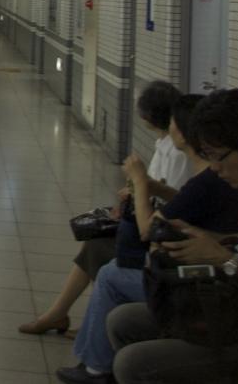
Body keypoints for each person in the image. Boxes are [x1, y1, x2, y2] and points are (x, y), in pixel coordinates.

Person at [107, 88, 238, 384]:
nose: (215, 168)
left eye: (219, 157)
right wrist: (205, 238)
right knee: (124, 321)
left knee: (134, 364)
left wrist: (226, 259)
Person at [54, 94, 238, 383]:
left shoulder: (207, 181)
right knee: (100, 253)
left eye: (173, 122)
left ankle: (96, 367)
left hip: (194, 283)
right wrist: (154, 188)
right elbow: (183, 202)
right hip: (202, 274)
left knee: (110, 275)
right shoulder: (208, 179)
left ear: (183, 132)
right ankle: (80, 336)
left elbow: (149, 230)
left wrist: (139, 181)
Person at [20, 81, 191, 335]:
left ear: (149, 116)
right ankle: (62, 315)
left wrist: (140, 189)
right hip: (149, 225)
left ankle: (72, 320)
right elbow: (155, 188)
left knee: (98, 249)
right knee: (95, 244)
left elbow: (166, 204)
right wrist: (135, 190)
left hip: (158, 239)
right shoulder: (165, 145)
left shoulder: (178, 154)